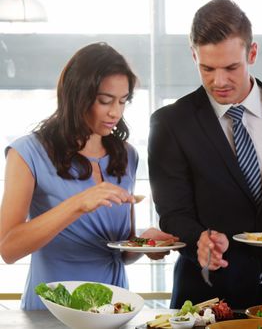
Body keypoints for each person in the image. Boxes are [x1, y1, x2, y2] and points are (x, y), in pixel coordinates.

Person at [148, 0, 262, 309]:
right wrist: (200, 240)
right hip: (205, 296)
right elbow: (173, 211)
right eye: (207, 68)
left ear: (252, 53)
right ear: (194, 55)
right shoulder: (170, 123)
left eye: (231, 67)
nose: (219, 81)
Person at [0, 42, 177, 310]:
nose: (115, 112)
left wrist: (143, 243)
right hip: (52, 313)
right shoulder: (27, 152)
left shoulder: (126, 155)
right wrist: (78, 204)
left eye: (122, 101)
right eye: (105, 101)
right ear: (77, 96)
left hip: (114, 310)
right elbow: (9, 249)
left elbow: (118, 250)